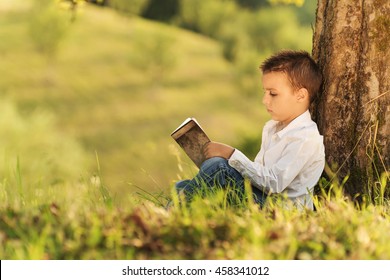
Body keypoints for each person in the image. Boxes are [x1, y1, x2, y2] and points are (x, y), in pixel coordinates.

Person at [174, 50, 325, 210]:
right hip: (262, 197)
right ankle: (178, 213)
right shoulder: (272, 128)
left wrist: (231, 155)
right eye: (265, 92)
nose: (265, 100)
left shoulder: (305, 137)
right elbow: (258, 175)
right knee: (183, 186)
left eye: (273, 94)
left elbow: (275, 183)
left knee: (218, 167)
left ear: (300, 96)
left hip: (280, 210)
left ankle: (170, 213)